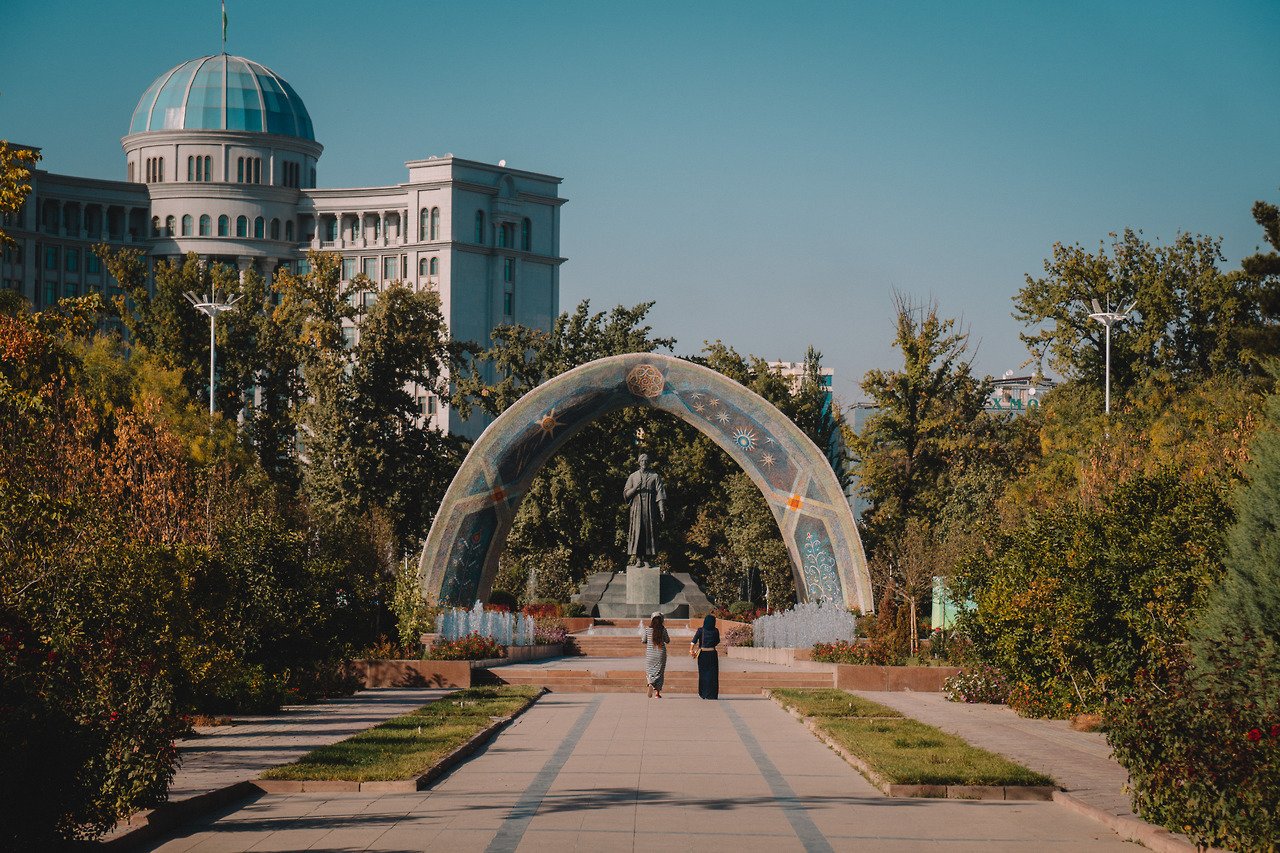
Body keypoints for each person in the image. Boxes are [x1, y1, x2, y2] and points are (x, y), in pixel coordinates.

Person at [624, 454, 666, 567]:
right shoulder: (633, 476)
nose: (644, 463)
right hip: (637, 507)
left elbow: (660, 494)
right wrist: (635, 489)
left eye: (646, 461)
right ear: (639, 462)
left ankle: (647, 559)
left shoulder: (655, 476)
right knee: (638, 531)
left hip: (650, 507)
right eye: (642, 461)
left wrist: (661, 510)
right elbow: (626, 494)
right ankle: (638, 559)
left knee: (649, 532)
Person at [691, 614, 720, 700]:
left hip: (702, 654)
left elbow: (694, 641)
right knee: (713, 675)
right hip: (712, 653)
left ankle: (703, 693)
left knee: (703, 674)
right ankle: (712, 694)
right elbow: (717, 641)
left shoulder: (701, 630)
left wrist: (691, 650)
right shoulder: (716, 631)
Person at [643, 612, 669, 698]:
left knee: (650, 671)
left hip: (650, 654)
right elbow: (667, 640)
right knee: (660, 672)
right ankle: (657, 693)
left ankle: (650, 683)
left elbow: (643, 640)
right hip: (661, 654)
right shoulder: (663, 629)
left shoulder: (647, 629)